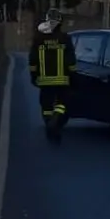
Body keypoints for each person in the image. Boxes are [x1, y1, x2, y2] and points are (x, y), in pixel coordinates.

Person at [28, 10, 76, 143]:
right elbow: (71, 60)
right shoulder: (65, 38)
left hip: (44, 80)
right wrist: (73, 75)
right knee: (62, 104)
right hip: (62, 80)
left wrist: (33, 75)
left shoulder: (38, 39)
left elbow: (32, 59)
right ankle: (55, 122)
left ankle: (50, 123)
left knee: (46, 106)